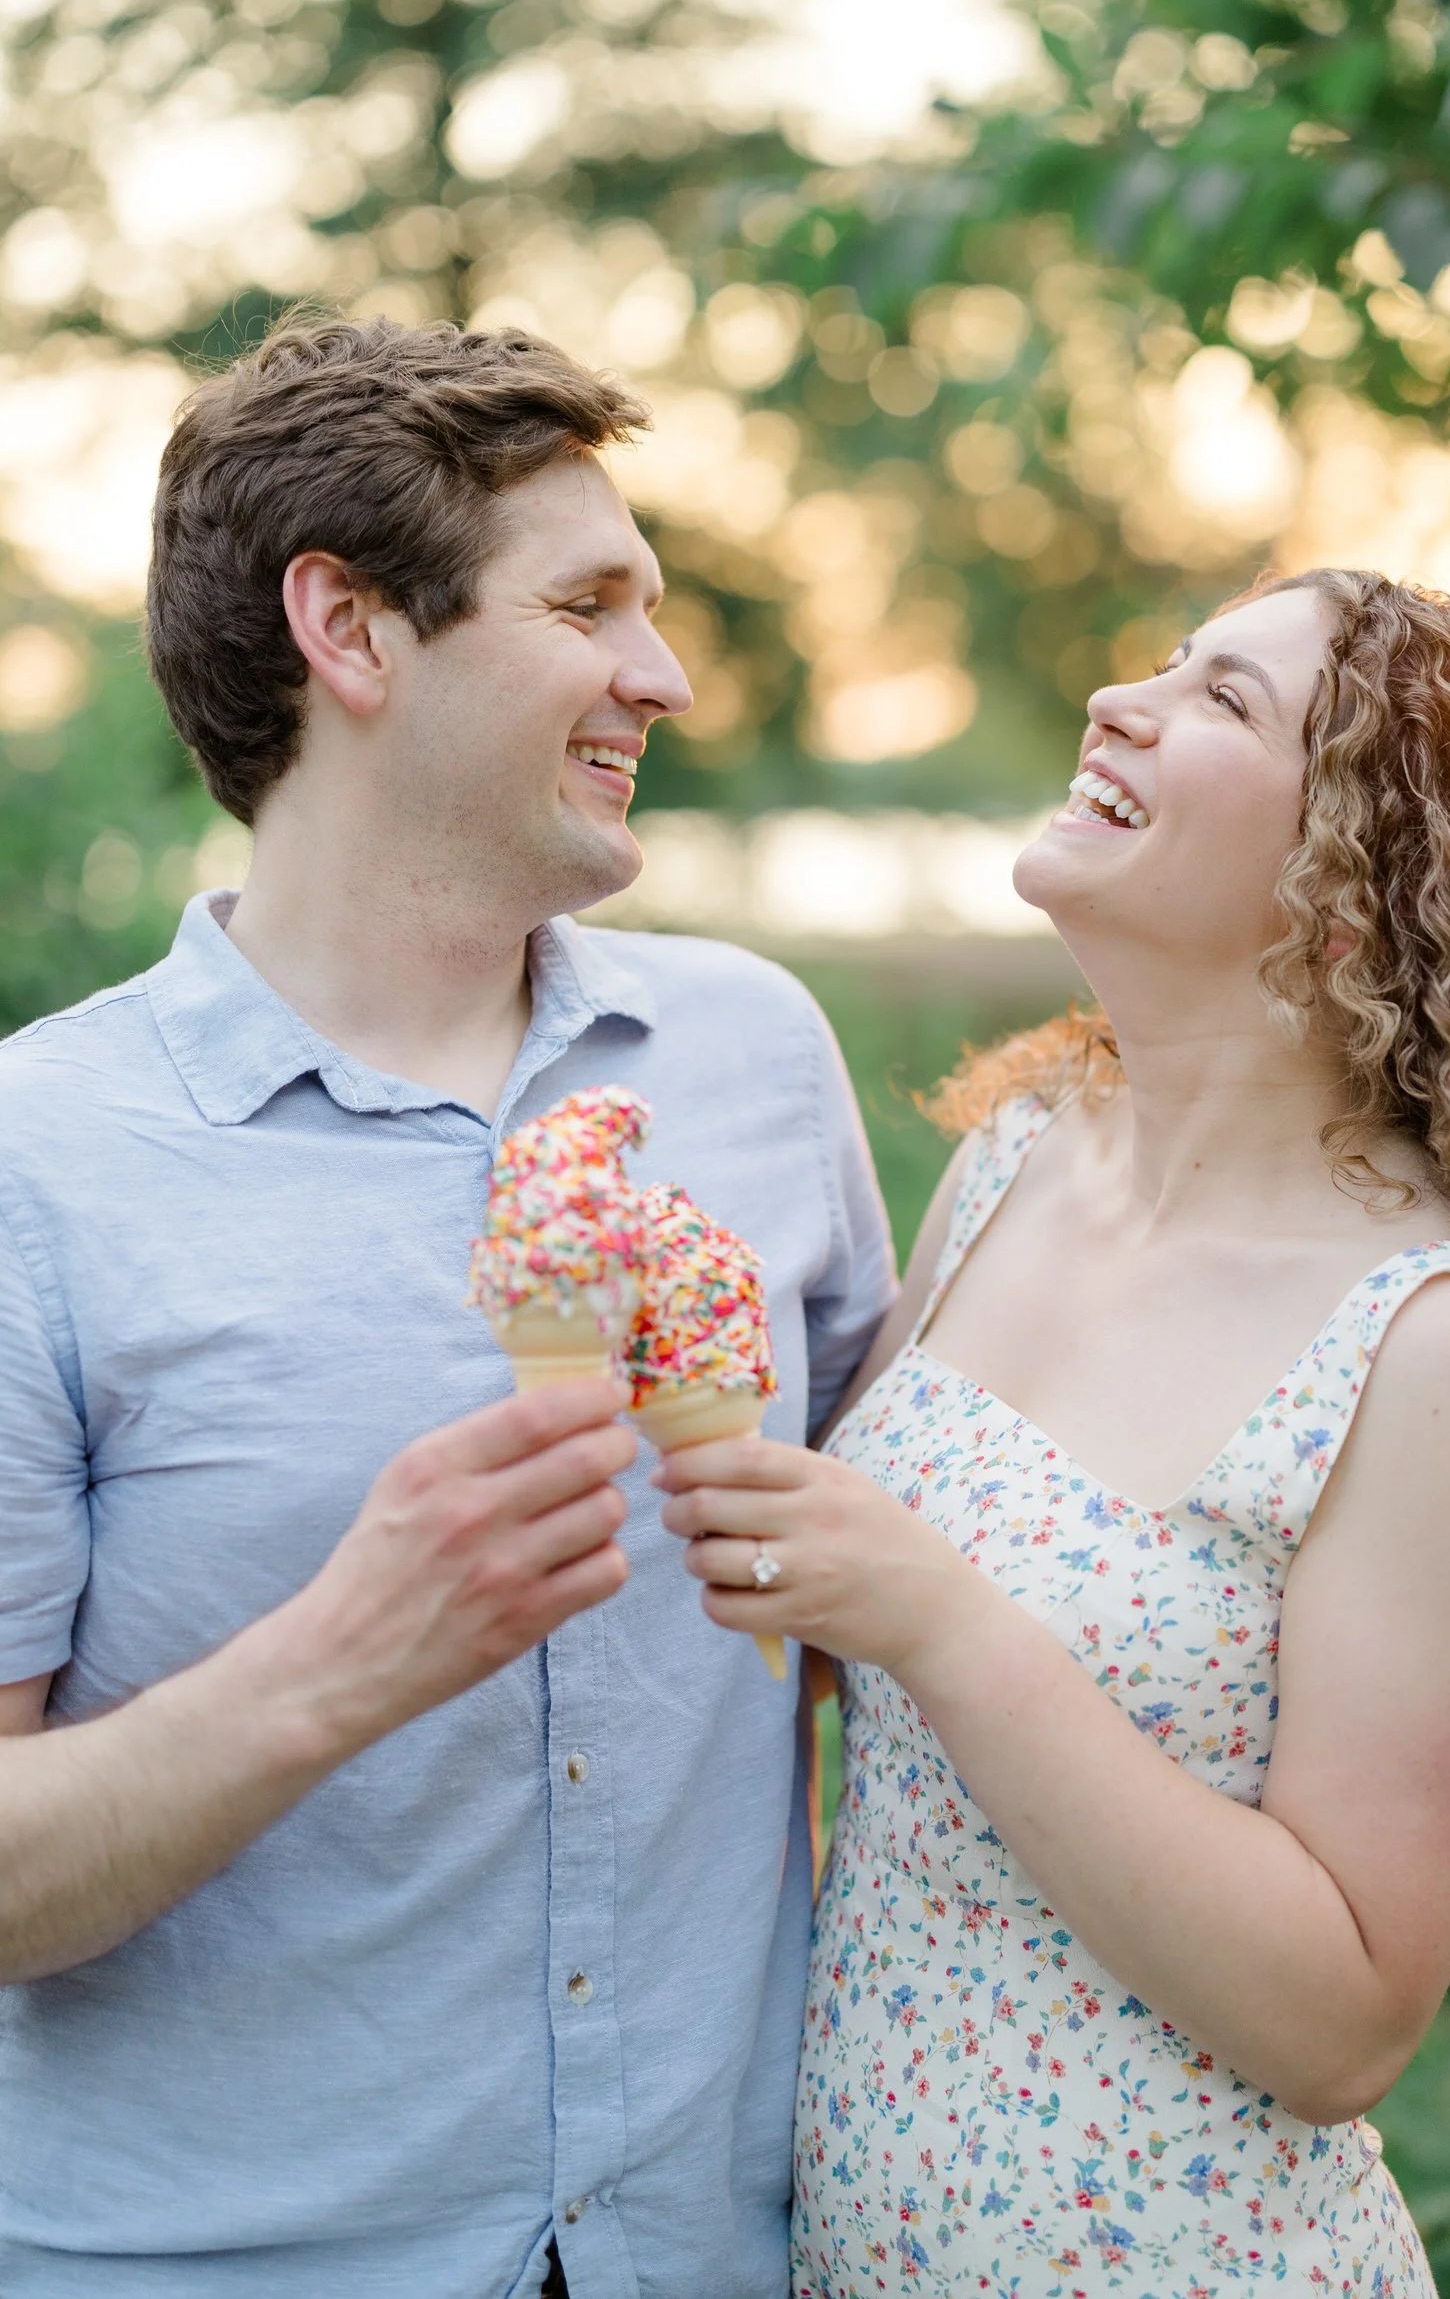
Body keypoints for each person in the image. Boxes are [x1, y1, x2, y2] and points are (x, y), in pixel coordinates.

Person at [0, 316, 894, 2299]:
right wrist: (336, 1661)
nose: (661, 674)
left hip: (716, 2255)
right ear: (350, 630)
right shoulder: (34, 1163)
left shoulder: (755, 1054)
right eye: (586, 606)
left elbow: (872, 1629)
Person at [656, 567, 1450, 2295]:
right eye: (1167, 665)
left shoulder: (1442, 1348)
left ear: (1353, 890)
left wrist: (939, 1620)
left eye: (1224, 700)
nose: (1116, 702)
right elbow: (813, 1648)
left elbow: (1340, 2024)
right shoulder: (1015, 1164)